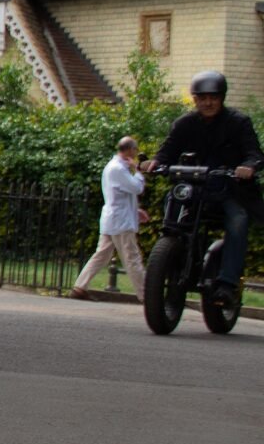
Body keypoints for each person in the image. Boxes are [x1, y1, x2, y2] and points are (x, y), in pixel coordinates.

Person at [140, 70, 264, 306]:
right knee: (173, 201)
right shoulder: (184, 124)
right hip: (194, 188)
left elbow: (254, 154)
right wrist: (155, 162)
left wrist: (248, 166)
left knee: (238, 220)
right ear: (195, 99)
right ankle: (174, 250)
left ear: (222, 98)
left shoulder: (238, 122)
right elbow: (167, 151)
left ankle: (227, 284)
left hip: (229, 189)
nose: (208, 102)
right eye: (202, 97)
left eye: (213, 97)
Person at [70, 136, 148, 301]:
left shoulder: (116, 167)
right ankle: (146, 296)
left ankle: (80, 286)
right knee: (132, 257)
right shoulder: (117, 168)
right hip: (120, 222)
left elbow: (121, 194)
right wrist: (139, 172)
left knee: (102, 255)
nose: (136, 153)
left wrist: (135, 210)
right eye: (135, 150)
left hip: (114, 218)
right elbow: (136, 188)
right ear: (129, 150)